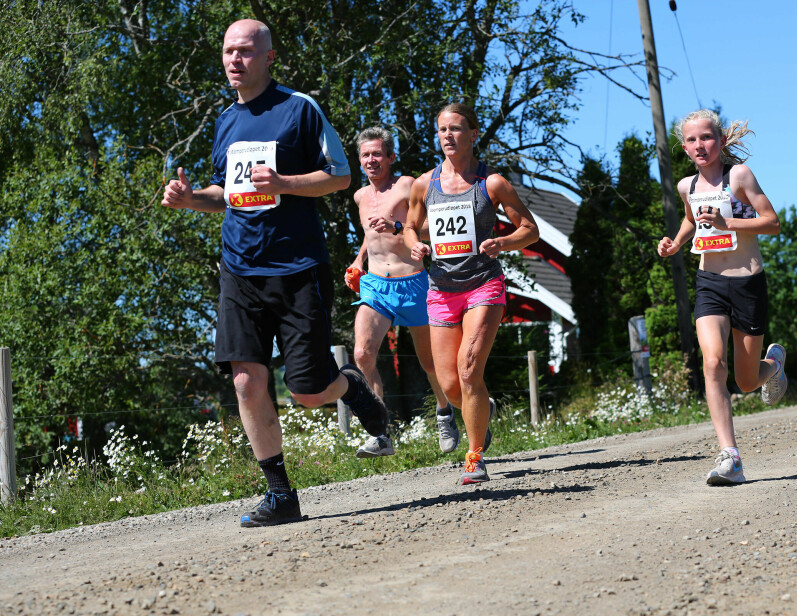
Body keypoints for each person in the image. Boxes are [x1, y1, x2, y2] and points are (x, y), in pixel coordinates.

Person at [160, 19, 392, 527]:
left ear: (268, 58)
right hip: (239, 269)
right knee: (246, 380)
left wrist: (284, 181)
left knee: (308, 390)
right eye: (227, 51)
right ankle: (280, 493)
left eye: (244, 51)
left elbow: (340, 175)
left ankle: (352, 389)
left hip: (295, 267)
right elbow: (227, 194)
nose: (233, 60)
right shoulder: (225, 121)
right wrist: (190, 199)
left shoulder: (299, 109)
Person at [405, 103, 540, 485]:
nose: (448, 136)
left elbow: (530, 229)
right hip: (441, 289)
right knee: (450, 384)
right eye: (442, 129)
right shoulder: (423, 184)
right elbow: (411, 227)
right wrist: (415, 244)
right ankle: (482, 410)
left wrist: (504, 242)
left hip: (483, 285)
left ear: (474, 134)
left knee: (468, 369)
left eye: (456, 128)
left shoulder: (492, 183)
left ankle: (475, 456)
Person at [657, 109, 787, 486]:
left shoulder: (739, 176)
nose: (701, 145)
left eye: (707, 137)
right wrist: (675, 243)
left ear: (722, 141)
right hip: (709, 282)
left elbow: (773, 223)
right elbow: (690, 219)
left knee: (747, 382)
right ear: (684, 147)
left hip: (748, 283)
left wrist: (728, 222)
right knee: (713, 364)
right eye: (693, 140)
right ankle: (730, 457)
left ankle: (773, 366)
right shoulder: (688, 187)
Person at [346, 127, 463, 453]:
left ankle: (444, 410)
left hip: (413, 284)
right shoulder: (360, 196)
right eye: (365, 155)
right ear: (360, 160)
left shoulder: (407, 185)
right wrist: (357, 261)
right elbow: (370, 237)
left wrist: (398, 226)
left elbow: (431, 222)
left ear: (391, 157)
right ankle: (380, 432)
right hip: (376, 285)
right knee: (362, 354)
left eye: (377, 154)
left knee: (430, 363)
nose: (371, 160)